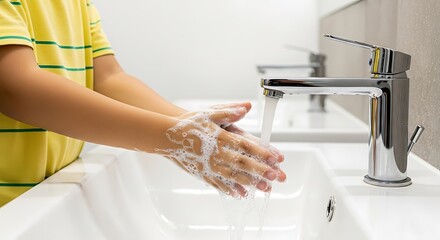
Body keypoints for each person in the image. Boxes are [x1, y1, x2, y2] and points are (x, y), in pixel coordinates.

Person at [0, 0, 286, 207]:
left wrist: (192, 126)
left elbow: (109, 78)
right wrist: (176, 139)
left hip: (40, 200)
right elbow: (15, 87)